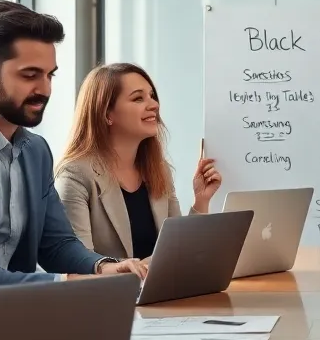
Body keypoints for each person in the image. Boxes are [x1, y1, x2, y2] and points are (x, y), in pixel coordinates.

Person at [0, 0, 146, 286]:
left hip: (25, 314)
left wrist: (104, 267)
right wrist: (66, 284)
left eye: (50, 75)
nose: (44, 89)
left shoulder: (36, 151)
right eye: (30, 75)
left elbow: (56, 245)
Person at [56, 63, 222, 260]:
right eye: (138, 98)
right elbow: (81, 266)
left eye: (152, 96)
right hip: (114, 291)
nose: (154, 105)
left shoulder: (159, 170)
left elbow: (180, 248)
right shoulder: (75, 176)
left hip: (161, 289)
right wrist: (155, 264)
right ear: (107, 114)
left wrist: (201, 200)